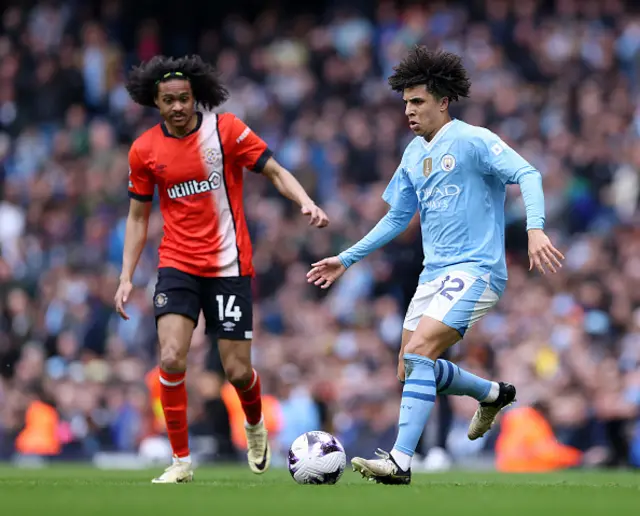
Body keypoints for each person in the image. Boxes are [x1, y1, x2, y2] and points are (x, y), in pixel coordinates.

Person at [307, 46, 563, 485]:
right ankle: (492, 393)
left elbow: (529, 174)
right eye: (405, 102)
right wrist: (347, 258)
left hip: (477, 269)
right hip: (433, 274)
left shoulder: (472, 139)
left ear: (443, 101)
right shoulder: (412, 155)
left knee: (421, 352)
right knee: (409, 368)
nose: (408, 110)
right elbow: (395, 218)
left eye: (418, 101)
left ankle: (401, 461)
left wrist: (534, 228)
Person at [114, 55, 329, 484]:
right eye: (168, 100)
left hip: (229, 266)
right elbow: (138, 217)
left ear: (196, 98)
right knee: (172, 358)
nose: (177, 107)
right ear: (155, 103)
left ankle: (253, 425)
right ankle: (180, 462)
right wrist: (125, 276)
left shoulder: (226, 130)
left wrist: (303, 199)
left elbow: (275, 170)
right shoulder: (144, 151)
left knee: (235, 371)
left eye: (184, 98)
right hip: (176, 264)